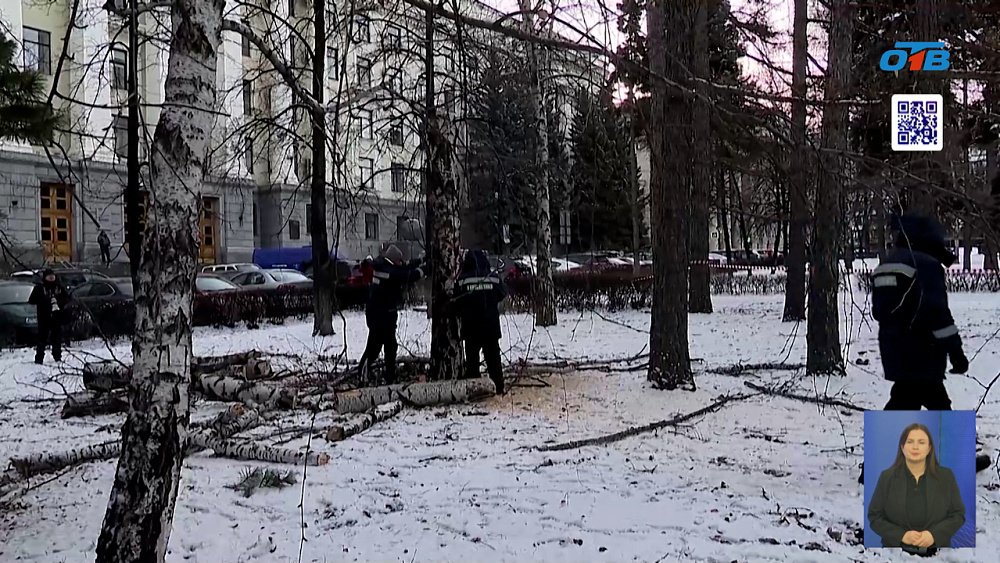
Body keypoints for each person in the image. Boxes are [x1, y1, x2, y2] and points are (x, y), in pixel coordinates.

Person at [864, 213, 990, 482]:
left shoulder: (886, 264)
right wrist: (956, 353)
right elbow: (938, 314)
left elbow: (881, 311)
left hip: (893, 349)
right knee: (932, 404)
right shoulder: (926, 265)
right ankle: (958, 461)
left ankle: (875, 463)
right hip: (922, 349)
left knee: (905, 400)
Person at [868, 423, 966, 554]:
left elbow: (958, 515)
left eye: (921, 442)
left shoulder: (946, 477)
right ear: (902, 447)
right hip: (896, 554)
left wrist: (933, 535)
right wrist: (901, 535)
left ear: (929, 448)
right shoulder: (887, 477)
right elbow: (875, 517)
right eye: (910, 442)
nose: (915, 447)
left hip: (938, 554)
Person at [357, 245, 425, 384]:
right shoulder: (388, 271)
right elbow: (408, 275)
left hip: (384, 315)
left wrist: (421, 260)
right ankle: (362, 375)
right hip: (380, 316)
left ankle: (390, 377)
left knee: (390, 347)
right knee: (374, 348)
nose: (402, 262)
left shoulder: (385, 265)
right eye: (399, 260)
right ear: (394, 260)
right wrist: (426, 268)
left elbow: (405, 266)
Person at [452, 249, 507, 394]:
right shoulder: (493, 277)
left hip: (471, 326)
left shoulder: (463, 279)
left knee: (472, 360)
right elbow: (502, 293)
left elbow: (457, 300)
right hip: (491, 325)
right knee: (493, 359)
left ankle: (474, 389)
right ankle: (498, 387)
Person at [28, 268, 70, 365]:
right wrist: (44, 302)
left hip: (56, 316)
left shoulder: (58, 287)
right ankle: (39, 358)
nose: (51, 278)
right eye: (49, 276)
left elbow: (67, 298)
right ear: (45, 277)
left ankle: (57, 356)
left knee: (56, 337)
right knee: (42, 338)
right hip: (43, 317)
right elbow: (32, 300)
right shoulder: (39, 288)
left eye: (52, 276)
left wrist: (59, 303)